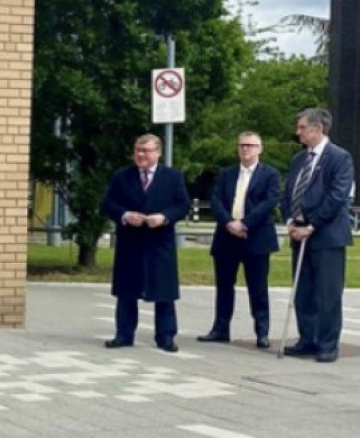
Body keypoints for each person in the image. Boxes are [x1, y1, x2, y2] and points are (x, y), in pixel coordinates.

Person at [100, 134, 191, 352]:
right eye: (138, 150)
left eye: (146, 151)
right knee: (127, 290)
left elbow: (182, 204)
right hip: (131, 241)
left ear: (158, 152)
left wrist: (165, 217)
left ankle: (166, 336)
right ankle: (124, 334)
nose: (141, 155)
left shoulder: (172, 177)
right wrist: (125, 215)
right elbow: (107, 204)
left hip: (159, 242)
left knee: (164, 291)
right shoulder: (122, 176)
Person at [281, 108, 354, 363]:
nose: (298, 132)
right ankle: (307, 338)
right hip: (299, 235)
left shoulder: (339, 158)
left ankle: (327, 344)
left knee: (327, 293)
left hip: (326, 236)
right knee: (303, 291)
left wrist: (311, 225)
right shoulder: (298, 160)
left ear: (318, 128)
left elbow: (337, 196)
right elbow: (289, 192)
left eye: (302, 127)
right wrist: (290, 221)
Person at [197, 132, 279, 349]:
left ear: (260, 149)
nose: (246, 149)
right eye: (242, 145)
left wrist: (244, 224)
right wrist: (229, 223)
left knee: (258, 287)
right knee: (224, 286)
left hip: (256, 238)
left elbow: (269, 202)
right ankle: (220, 328)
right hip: (226, 237)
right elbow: (216, 200)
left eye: (251, 145)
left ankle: (262, 332)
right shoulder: (227, 174)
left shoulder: (270, 174)